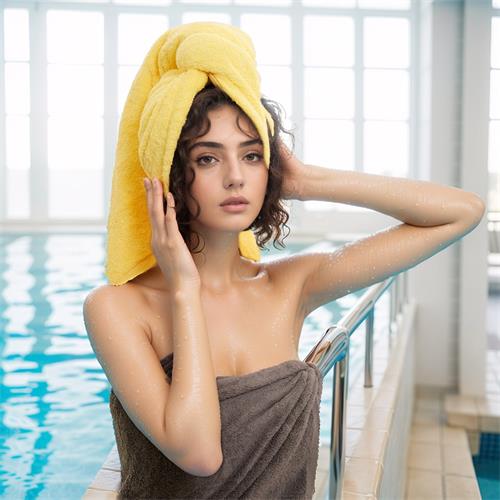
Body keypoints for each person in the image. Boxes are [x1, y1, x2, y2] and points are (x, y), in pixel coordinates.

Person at [83, 22, 486, 500]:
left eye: (251, 156)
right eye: (208, 159)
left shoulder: (288, 284)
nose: (236, 177)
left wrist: (307, 179)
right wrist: (184, 290)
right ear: (168, 173)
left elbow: (462, 213)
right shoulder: (115, 307)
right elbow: (198, 453)